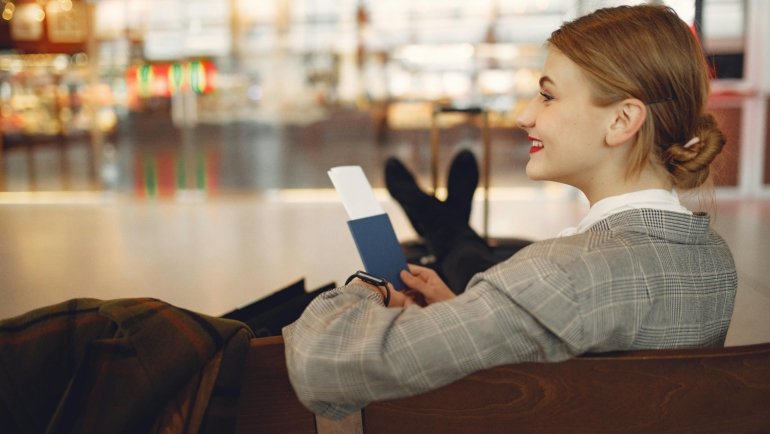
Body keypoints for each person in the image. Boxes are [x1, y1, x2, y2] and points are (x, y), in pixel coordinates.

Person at [283, 4, 737, 420]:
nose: (524, 116)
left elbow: (320, 366)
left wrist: (368, 291)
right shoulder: (715, 261)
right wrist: (468, 314)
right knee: (463, 253)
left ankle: (438, 215)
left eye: (548, 96)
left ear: (622, 121)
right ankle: (445, 217)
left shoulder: (560, 275)